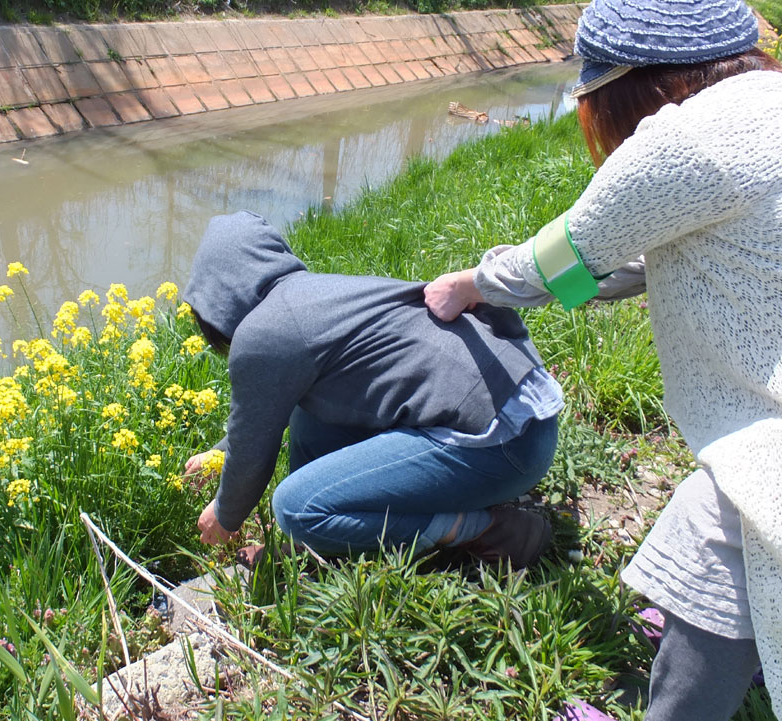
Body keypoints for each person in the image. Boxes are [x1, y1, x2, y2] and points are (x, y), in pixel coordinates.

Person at [422, 0, 782, 718]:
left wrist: (469, 285)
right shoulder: (767, 105)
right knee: (707, 507)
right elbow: (653, 254)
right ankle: (714, 639)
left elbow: (562, 258)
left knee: (722, 551)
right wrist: (577, 283)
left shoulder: (684, 141)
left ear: (627, 85)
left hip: (769, 445)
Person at [180, 209, 563, 569]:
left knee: (296, 508)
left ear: (219, 298)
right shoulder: (311, 296)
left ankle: (485, 530)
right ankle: (315, 541)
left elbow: (253, 458)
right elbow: (258, 419)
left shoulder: (262, 335)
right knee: (307, 409)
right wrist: (219, 454)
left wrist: (225, 514)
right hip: (524, 413)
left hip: (507, 445)